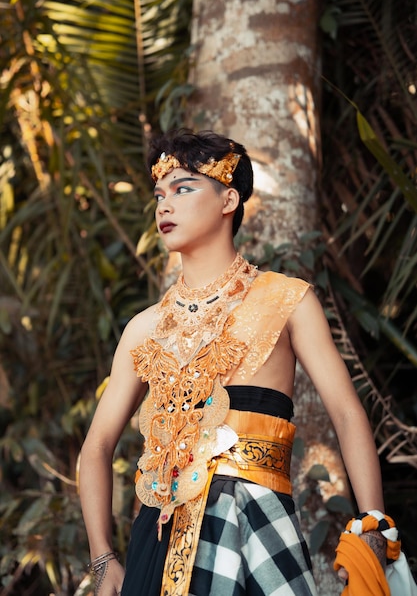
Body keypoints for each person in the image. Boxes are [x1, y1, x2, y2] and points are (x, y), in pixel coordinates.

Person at [79, 129, 395, 596]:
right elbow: (96, 447)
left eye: (183, 189)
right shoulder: (144, 329)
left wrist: (372, 523)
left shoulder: (287, 299)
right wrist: (103, 559)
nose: (164, 205)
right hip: (158, 539)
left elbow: (348, 414)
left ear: (228, 200)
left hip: (257, 522)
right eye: (159, 194)